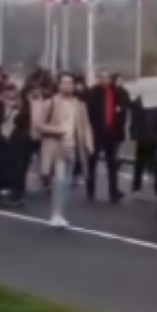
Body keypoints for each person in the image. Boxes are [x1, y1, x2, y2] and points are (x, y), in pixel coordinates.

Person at [33, 72, 94, 228]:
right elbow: (39, 125)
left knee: (66, 183)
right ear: (59, 85)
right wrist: (57, 130)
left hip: (73, 147)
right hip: (56, 147)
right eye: (64, 82)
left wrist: (89, 143)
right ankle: (55, 214)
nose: (67, 85)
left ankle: (61, 213)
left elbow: (85, 125)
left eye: (70, 83)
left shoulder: (79, 105)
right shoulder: (51, 103)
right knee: (59, 181)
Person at [84, 71, 129, 202]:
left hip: (112, 133)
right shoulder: (92, 93)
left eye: (107, 78)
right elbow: (88, 112)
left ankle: (113, 191)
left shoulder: (117, 92)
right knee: (92, 162)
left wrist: (120, 126)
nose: (104, 80)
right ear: (98, 79)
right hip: (96, 133)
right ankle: (90, 189)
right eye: (102, 77)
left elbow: (124, 108)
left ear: (110, 79)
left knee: (112, 164)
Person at [0, 84, 32, 207]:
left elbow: (26, 121)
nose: (10, 94)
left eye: (13, 91)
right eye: (8, 91)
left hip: (17, 140)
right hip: (0, 139)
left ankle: (17, 192)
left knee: (17, 167)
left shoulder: (22, 105)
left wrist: (18, 110)